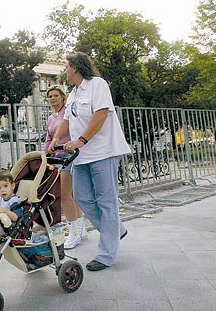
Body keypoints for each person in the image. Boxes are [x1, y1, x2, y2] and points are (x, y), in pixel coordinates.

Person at [49, 52, 131, 271]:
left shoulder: (97, 84)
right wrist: (57, 138)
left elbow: (102, 114)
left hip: (104, 151)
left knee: (106, 202)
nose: (65, 70)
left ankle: (106, 255)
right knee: (83, 198)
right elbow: (66, 119)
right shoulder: (74, 93)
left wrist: (81, 140)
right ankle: (116, 229)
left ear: (75, 67)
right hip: (83, 155)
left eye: (66, 66)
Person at [43, 85, 87, 249]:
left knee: (64, 194)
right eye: (50, 96)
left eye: (56, 95)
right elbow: (49, 139)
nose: (53, 98)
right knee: (71, 195)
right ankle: (81, 230)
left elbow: (71, 131)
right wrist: (45, 156)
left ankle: (73, 232)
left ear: (62, 97)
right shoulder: (50, 118)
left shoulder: (67, 113)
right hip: (56, 158)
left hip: (69, 155)